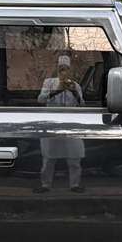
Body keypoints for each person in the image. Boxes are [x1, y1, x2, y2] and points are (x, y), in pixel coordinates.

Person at [35, 55, 85, 192]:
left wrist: (74, 92)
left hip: (71, 125)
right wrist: (57, 90)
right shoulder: (49, 83)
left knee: (74, 157)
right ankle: (45, 185)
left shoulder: (76, 85)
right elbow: (40, 100)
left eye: (66, 69)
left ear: (70, 70)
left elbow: (82, 105)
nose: (64, 71)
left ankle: (75, 185)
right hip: (52, 124)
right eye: (61, 69)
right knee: (49, 158)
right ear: (57, 70)